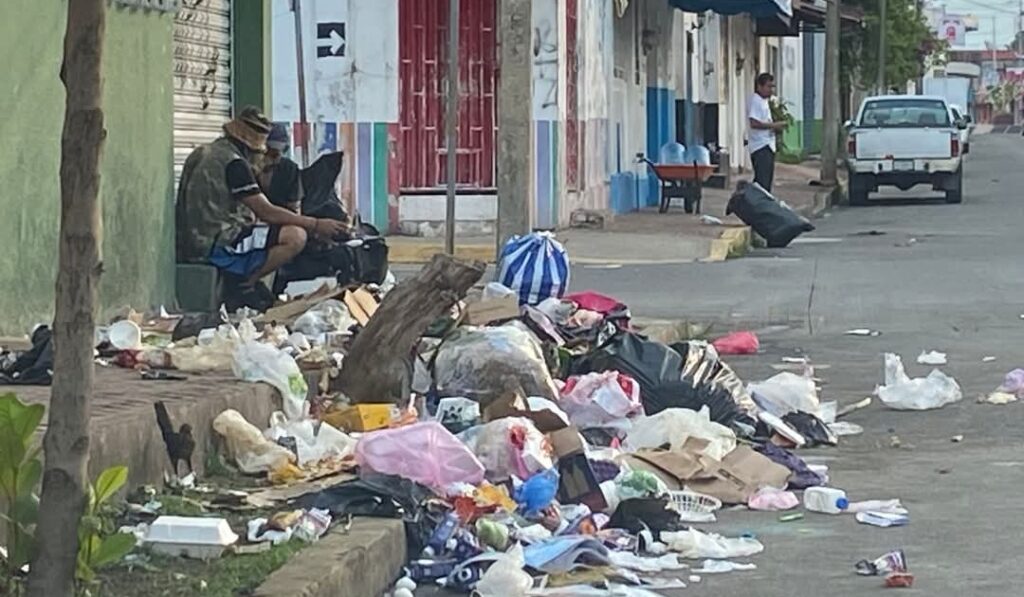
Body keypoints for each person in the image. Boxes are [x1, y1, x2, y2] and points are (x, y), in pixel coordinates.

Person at [175, 107, 348, 309]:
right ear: (250, 147)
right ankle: (243, 285)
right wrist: (315, 224)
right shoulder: (235, 164)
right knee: (295, 236)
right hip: (215, 243)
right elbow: (265, 211)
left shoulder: (205, 152)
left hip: (193, 239)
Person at [747, 72, 787, 192]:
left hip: (768, 145)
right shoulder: (756, 101)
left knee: (766, 181)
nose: (771, 90)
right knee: (762, 182)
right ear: (759, 86)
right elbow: (754, 123)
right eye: (768, 86)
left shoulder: (763, 101)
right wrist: (774, 125)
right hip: (760, 147)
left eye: (772, 87)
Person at [256, 123, 303, 212]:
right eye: (270, 152)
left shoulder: (290, 169)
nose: (277, 156)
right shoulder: (248, 166)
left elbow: (294, 206)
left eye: (281, 151)